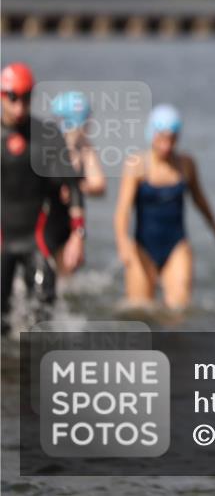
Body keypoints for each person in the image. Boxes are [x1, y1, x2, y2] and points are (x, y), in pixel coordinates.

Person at [114, 104, 215, 311]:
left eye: (172, 139)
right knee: (139, 309)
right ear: (151, 134)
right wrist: (123, 242)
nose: (166, 145)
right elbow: (123, 210)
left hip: (176, 245)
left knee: (179, 310)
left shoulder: (186, 165)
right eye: (162, 139)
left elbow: (199, 199)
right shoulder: (137, 165)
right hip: (142, 248)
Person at [1, 63, 86, 335]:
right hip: (2, 239)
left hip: (36, 238)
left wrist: (78, 236)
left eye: (26, 98)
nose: (19, 106)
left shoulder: (46, 135)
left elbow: (73, 186)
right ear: (2, 96)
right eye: (13, 97)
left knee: (42, 318)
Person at [46, 91, 107, 277]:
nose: (89, 124)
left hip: (71, 222)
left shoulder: (84, 148)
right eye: (87, 120)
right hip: (46, 219)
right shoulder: (47, 146)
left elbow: (99, 185)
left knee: (64, 278)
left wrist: (76, 187)